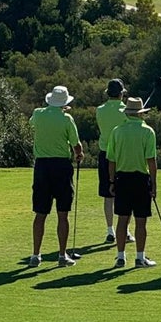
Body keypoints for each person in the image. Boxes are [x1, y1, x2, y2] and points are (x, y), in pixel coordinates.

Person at [29, 85, 83, 267]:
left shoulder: (38, 113)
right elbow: (76, 145)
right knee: (62, 213)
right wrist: (79, 154)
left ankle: (35, 255)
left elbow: (33, 123)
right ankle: (61, 255)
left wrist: (55, 111)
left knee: (40, 213)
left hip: (42, 166)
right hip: (61, 166)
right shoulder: (67, 118)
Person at [107, 96, 158, 268]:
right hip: (140, 179)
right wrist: (154, 184)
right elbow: (151, 161)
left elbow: (111, 160)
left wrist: (112, 181)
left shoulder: (117, 131)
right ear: (141, 113)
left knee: (122, 220)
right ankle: (140, 257)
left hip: (122, 179)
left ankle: (120, 257)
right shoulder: (147, 131)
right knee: (141, 221)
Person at [95, 78, 131, 244]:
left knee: (108, 195)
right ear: (122, 93)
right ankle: (125, 230)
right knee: (124, 195)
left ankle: (110, 231)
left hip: (105, 154)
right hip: (123, 155)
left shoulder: (100, 110)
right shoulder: (126, 111)